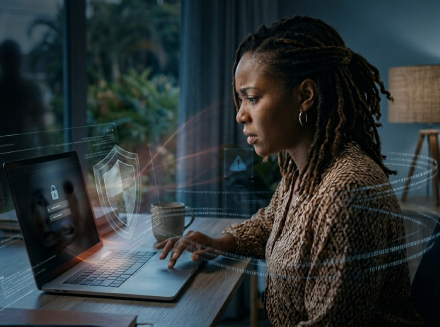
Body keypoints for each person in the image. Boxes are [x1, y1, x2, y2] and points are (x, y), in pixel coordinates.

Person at [156, 16, 424, 326]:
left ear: (305, 96)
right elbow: (275, 223)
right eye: (240, 99)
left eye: (252, 98)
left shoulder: (345, 191)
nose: (241, 114)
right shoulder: (305, 171)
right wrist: (220, 242)